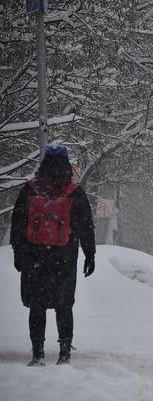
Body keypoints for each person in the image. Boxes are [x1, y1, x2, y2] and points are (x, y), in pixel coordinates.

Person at [10, 144, 96, 366]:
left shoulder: (30, 190)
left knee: (37, 306)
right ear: (67, 165)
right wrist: (90, 254)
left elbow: (18, 223)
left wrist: (18, 253)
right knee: (64, 305)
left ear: (44, 163)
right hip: (65, 258)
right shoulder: (74, 192)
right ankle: (64, 354)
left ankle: (37, 353)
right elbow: (86, 226)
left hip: (35, 257)